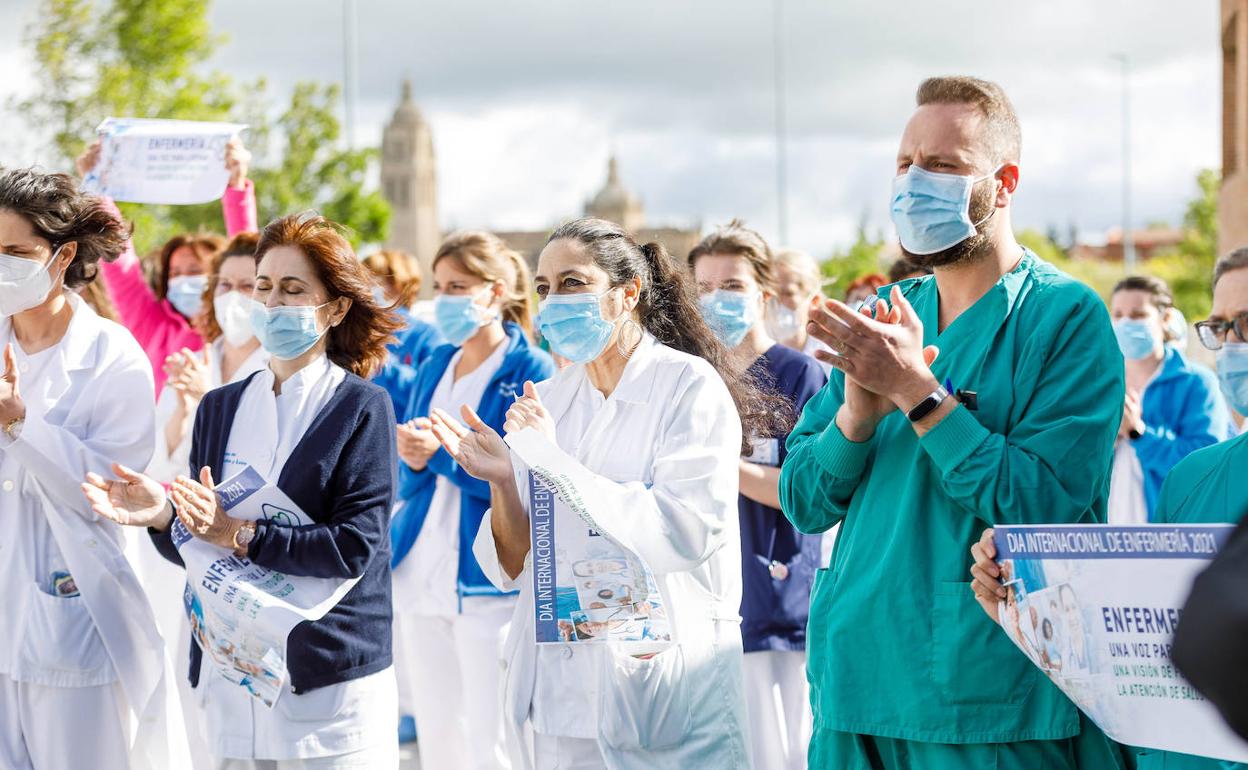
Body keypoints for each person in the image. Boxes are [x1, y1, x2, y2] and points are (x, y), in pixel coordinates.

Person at [779, 76, 1130, 768]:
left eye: (942, 166)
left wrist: (917, 393)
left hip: (986, 700)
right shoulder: (883, 314)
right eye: (905, 165)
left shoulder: (1063, 318)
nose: (914, 184)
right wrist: (854, 416)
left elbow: (1046, 506)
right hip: (856, 682)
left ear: (1004, 183)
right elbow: (802, 499)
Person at [427, 217, 763, 768]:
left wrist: (551, 460)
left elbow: (681, 532)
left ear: (628, 293)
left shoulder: (687, 386)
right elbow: (514, 564)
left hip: (661, 683)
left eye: (572, 283)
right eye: (543, 288)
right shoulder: (554, 398)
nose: (552, 301)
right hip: (560, 694)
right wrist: (505, 483)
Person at [82, 212, 404, 769]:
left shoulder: (361, 408)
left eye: (293, 289)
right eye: (264, 286)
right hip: (234, 668)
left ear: (335, 309)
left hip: (326, 673)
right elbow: (195, 543)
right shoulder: (221, 406)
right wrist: (162, 514)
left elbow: (355, 547)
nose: (273, 303)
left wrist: (239, 533)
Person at [973, 249, 1248, 770]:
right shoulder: (1196, 479)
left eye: (1247, 324)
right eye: (1221, 327)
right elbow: (1152, 652)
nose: (1233, 345)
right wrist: (1026, 607)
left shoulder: (1190, 392)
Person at [0, 167, 185, 770]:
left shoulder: (112, 354)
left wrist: (21, 425)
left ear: (63, 254)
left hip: (71, 617)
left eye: (14, 252)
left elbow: (112, 487)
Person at [388, 231, 553, 770]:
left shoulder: (530, 370)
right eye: (440, 287)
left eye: (459, 286)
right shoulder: (436, 359)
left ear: (496, 290)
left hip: (486, 575)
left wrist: (436, 455)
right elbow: (411, 474)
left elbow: (520, 476)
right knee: (438, 731)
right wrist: (416, 459)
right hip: (420, 560)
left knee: (492, 733)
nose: (447, 299)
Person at [689, 221, 826, 770]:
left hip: (775, 601)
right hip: (702, 601)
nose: (714, 300)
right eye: (702, 288)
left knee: (783, 751)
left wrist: (722, 463)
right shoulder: (692, 378)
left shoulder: (801, 377)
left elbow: (805, 494)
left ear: (763, 296)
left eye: (731, 286)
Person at [77, 136, 258, 393]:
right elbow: (121, 266)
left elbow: (247, 258)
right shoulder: (152, 326)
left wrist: (236, 187)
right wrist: (95, 187)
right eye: (175, 273)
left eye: (195, 271)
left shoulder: (241, 325)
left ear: (220, 276)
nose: (184, 280)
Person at [1107, 275, 1228, 523]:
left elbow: (1205, 469)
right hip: (1106, 537)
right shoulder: (1100, 384)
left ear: (1166, 319)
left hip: (1172, 535)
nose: (1126, 323)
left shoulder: (1197, 383)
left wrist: (1137, 433)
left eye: (1138, 315)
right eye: (1118, 315)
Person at [363, 248, 445, 415]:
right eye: (363, 279)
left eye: (376, 280)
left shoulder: (427, 335)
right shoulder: (354, 329)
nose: (367, 287)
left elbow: (432, 393)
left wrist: (383, 363)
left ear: (400, 285)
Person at [765, 247, 833, 375]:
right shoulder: (754, 355)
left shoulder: (828, 357)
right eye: (769, 294)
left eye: (788, 294)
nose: (776, 302)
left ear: (814, 301)